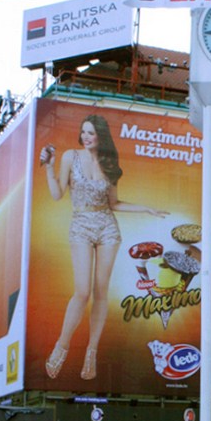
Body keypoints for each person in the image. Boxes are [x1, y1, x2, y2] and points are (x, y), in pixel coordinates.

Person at [40, 111, 167, 382]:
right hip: (81, 225)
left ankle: (91, 351)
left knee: (100, 292)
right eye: (83, 131)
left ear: (101, 137)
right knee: (82, 291)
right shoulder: (70, 157)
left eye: (91, 133)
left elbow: (114, 204)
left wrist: (146, 208)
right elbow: (57, 194)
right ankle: (62, 345)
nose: (86, 137)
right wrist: (49, 167)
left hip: (107, 227)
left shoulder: (110, 164)